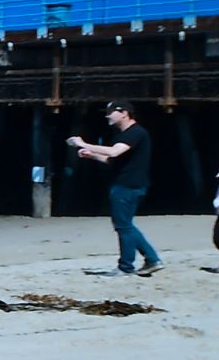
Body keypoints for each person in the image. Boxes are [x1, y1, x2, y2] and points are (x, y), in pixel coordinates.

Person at [68, 101, 161, 276]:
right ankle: (152, 259)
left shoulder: (135, 132)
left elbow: (113, 152)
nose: (107, 115)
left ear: (124, 113)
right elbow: (113, 161)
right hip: (129, 184)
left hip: (128, 186)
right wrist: (93, 155)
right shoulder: (125, 135)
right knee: (126, 225)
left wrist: (84, 144)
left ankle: (126, 266)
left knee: (123, 226)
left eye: (111, 112)